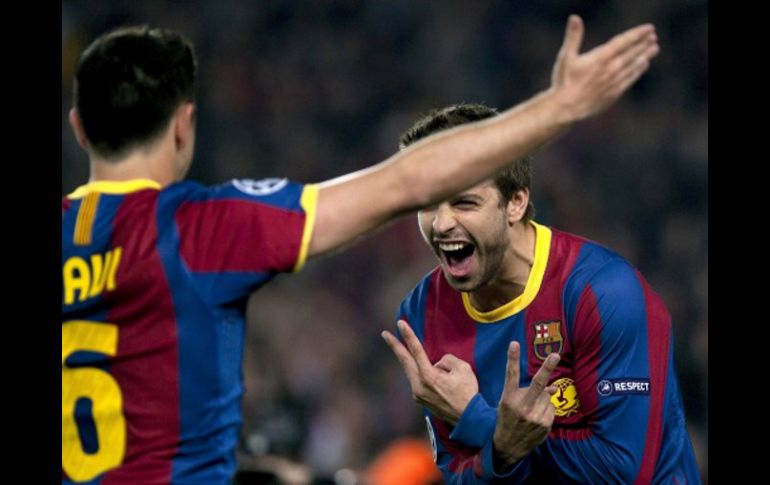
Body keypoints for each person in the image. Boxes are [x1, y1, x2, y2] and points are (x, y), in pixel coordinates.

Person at [61, 16, 658, 484]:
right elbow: (406, 181)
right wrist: (559, 108)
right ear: (185, 125)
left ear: (79, 127)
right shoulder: (204, 228)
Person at [381, 103, 701, 483]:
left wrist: (480, 422)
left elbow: (624, 474)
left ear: (515, 202)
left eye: (465, 202)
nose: (442, 222)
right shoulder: (423, 313)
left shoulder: (604, 292)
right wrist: (500, 447)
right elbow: (459, 476)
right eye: (427, 203)